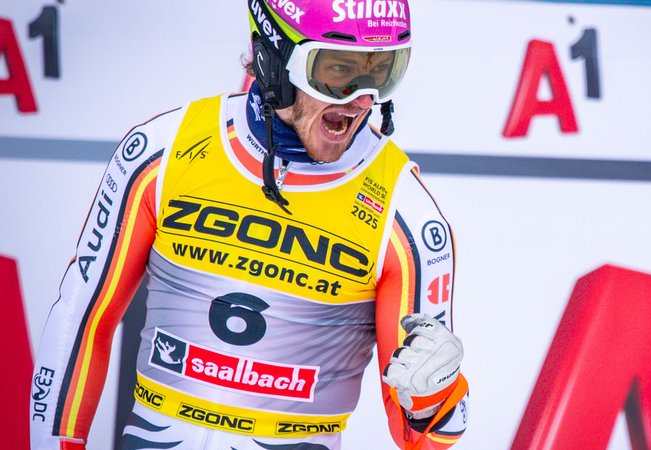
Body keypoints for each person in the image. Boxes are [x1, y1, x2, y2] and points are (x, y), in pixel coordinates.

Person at [29, 0, 469, 449]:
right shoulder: (164, 149)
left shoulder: (406, 213)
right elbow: (82, 318)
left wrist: (433, 395)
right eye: (339, 70)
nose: (362, 100)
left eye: (382, 72)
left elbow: (427, 439)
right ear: (273, 56)